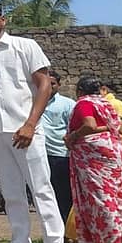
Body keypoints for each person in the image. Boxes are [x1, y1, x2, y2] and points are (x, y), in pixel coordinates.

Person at [0, 0, 64, 243]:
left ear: (2, 19)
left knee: (41, 190)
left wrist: (31, 124)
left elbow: (43, 84)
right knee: (11, 194)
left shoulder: (25, 46)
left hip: (26, 131)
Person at [64, 75, 122, 243]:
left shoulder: (84, 103)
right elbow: (118, 127)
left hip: (93, 157)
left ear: (80, 91)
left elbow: (89, 125)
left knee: (100, 198)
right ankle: (121, 237)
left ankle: (110, 240)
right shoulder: (106, 104)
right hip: (113, 152)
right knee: (115, 195)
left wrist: (73, 136)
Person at [41, 70, 75, 224]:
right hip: (40, 155)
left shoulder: (67, 104)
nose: (49, 86)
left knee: (63, 195)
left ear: (59, 85)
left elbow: (73, 129)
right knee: (45, 195)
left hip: (61, 155)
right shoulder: (34, 101)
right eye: (46, 83)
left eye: (52, 83)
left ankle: (65, 231)